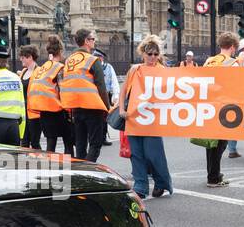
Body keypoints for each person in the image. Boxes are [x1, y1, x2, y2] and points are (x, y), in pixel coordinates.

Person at [120, 36, 173, 199]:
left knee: (153, 154)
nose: (152, 57)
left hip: (153, 120)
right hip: (134, 118)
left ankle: (161, 183)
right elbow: (124, 91)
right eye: (149, 53)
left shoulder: (164, 71)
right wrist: (122, 109)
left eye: (155, 54)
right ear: (143, 53)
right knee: (136, 154)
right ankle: (141, 186)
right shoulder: (135, 69)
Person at [62, 29, 110, 162]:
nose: (94, 41)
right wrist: (107, 107)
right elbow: (101, 86)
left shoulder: (68, 60)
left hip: (75, 108)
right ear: (86, 41)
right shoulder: (92, 60)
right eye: (92, 39)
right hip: (93, 107)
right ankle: (87, 171)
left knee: (81, 144)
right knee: (95, 143)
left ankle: (80, 170)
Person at [203, 32, 239, 187]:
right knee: (221, 144)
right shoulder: (233, 63)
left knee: (210, 143)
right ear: (232, 47)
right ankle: (214, 177)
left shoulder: (209, 61)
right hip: (224, 106)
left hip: (208, 105)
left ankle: (212, 173)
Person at [31, 36, 72, 154]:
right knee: (68, 143)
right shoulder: (59, 67)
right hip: (59, 111)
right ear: (60, 51)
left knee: (51, 145)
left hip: (44, 111)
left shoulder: (42, 68)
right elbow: (63, 90)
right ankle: (67, 170)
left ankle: (51, 169)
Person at [18, 45, 41, 148]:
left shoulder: (40, 71)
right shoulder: (23, 72)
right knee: (24, 142)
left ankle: (40, 162)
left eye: (23, 57)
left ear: (30, 57)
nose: (20, 59)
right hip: (23, 112)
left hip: (34, 114)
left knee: (35, 143)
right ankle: (26, 163)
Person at [99, 50, 120, 144]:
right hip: (94, 95)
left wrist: (115, 95)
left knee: (105, 118)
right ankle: (95, 137)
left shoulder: (108, 67)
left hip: (106, 95)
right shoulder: (91, 66)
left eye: (98, 57)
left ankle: (103, 137)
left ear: (102, 58)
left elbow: (114, 81)